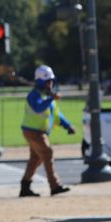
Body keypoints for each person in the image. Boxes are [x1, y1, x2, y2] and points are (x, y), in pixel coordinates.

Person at [20, 65, 74, 197]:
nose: (50, 84)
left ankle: (25, 187)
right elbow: (38, 108)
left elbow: (56, 115)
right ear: (40, 82)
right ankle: (54, 186)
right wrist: (51, 98)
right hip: (33, 132)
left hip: (39, 132)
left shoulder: (47, 96)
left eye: (51, 81)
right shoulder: (34, 95)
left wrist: (68, 125)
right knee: (47, 153)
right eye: (47, 82)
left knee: (35, 159)